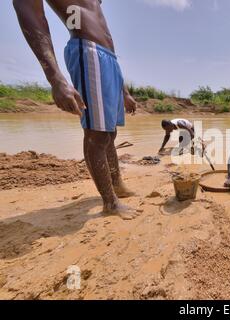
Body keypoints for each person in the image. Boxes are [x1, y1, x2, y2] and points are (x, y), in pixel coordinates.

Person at [13, 0, 138, 220]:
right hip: (87, 50)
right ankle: (110, 202)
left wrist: (123, 90)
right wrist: (54, 76)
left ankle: (117, 185)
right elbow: (26, 7)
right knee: (96, 134)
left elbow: (104, 32)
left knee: (109, 132)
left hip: (108, 59)